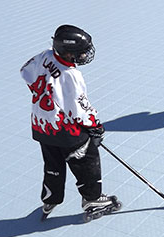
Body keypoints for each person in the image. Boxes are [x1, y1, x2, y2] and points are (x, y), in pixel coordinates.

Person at [20, 25, 120, 221]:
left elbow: (25, 71)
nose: (84, 56)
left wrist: (43, 92)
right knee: (87, 160)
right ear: (67, 52)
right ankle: (93, 199)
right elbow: (79, 108)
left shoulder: (44, 55)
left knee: (53, 163)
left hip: (42, 125)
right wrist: (95, 127)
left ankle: (51, 198)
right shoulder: (71, 75)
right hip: (66, 131)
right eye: (80, 53)